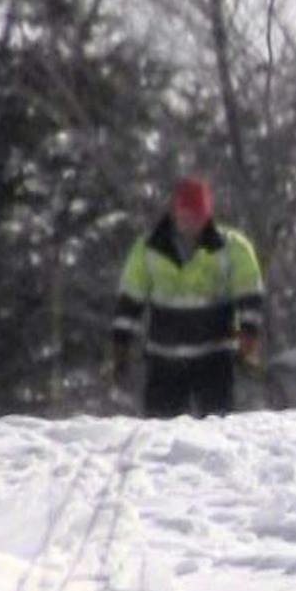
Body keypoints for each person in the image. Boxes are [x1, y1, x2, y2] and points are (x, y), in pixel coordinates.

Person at [111, 176, 265, 417]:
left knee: (218, 431)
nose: (190, 223)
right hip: (164, 359)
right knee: (159, 435)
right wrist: (120, 346)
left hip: (214, 358)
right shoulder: (148, 249)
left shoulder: (232, 248)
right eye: (185, 216)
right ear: (174, 214)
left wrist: (248, 338)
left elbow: (250, 294)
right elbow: (130, 300)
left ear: (207, 215)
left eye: (197, 217)